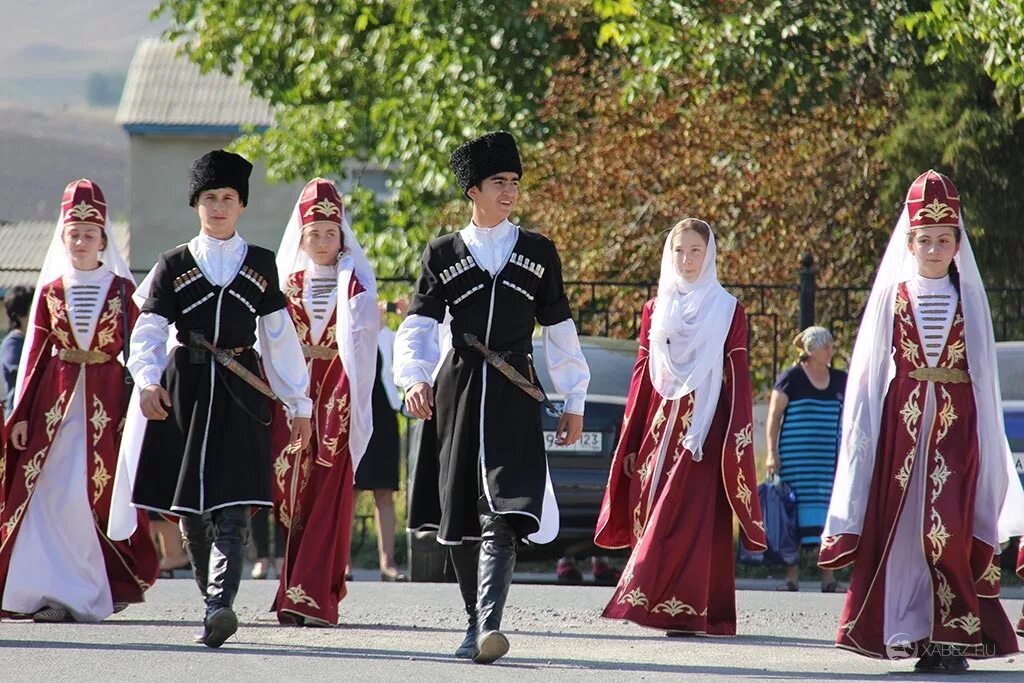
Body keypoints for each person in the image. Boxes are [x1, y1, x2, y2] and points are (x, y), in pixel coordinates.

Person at [395, 131, 590, 664]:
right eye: (498, 183)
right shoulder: (442, 253)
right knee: (457, 512)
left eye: (514, 183)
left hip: (514, 388)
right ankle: (473, 623)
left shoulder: (538, 251)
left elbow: (559, 328)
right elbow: (418, 324)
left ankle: (489, 625)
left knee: (505, 507)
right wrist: (413, 378)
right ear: (472, 191)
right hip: (458, 388)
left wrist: (573, 398)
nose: (509, 192)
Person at [818, 170, 1024, 673]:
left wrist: (984, 442)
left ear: (957, 244)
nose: (934, 248)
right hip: (904, 424)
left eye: (943, 239)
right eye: (925, 240)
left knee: (946, 528)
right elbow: (869, 372)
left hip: (956, 424)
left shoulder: (969, 298)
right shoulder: (893, 295)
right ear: (910, 243)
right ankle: (907, 631)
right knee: (904, 530)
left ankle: (951, 637)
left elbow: (983, 375)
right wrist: (864, 441)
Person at [111, 150, 313, 648]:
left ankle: (221, 604)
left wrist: (299, 402)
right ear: (196, 205)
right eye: (209, 198)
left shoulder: (262, 264)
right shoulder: (172, 264)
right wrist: (147, 379)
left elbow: (280, 337)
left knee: (234, 502)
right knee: (192, 511)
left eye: (227, 198)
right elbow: (150, 330)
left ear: (240, 204)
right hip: (187, 388)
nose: (218, 206)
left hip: (243, 387)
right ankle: (212, 601)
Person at [594, 218, 766, 636]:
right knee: (651, 505)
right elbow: (642, 375)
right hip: (657, 424)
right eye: (679, 250)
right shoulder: (657, 307)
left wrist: (730, 442)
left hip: (702, 430)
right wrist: (632, 439)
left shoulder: (728, 310)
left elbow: (736, 379)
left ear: (710, 255)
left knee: (688, 516)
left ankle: (681, 610)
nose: (687, 259)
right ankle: (657, 604)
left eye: (695, 250)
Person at [0, 179, 159, 622]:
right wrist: (21, 414)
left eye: (90, 233)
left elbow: (139, 350)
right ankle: (44, 589)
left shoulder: (123, 291)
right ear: (63, 236)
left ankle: (85, 592)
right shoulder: (50, 291)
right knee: (49, 495)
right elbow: (33, 358)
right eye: (74, 233)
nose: (81, 240)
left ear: (103, 239)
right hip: (56, 402)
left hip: (105, 404)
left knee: (89, 497)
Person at [267, 177, 378, 625]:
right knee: (291, 492)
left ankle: (311, 595)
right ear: (302, 235)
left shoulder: (355, 287)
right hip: (294, 398)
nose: (322, 241)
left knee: (328, 492)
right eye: (314, 233)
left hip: (337, 397)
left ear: (342, 235)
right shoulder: (286, 285)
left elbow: (364, 349)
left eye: (330, 233)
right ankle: (290, 587)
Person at [764, 326, 847, 592]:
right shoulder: (792, 378)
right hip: (796, 462)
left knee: (828, 518)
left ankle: (829, 578)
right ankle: (792, 577)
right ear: (811, 351)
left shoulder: (840, 380)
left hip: (827, 465)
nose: (831, 351)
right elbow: (774, 417)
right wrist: (771, 452)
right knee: (793, 518)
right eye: (827, 347)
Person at [354, 299, 407, 582]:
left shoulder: (390, 338)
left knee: (385, 491)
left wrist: (404, 315)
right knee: (349, 491)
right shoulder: (350, 335)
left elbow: (409, 354)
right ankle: (342, 564)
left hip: (384, 414)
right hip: (355, 414)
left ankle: (388, 563)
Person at [2, 286, 33, 412]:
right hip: (16, 416)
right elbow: (22, 373)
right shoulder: (14, 342)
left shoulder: (27, 340)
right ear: (21, 314)